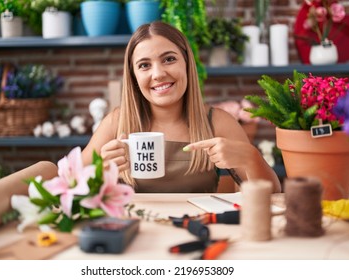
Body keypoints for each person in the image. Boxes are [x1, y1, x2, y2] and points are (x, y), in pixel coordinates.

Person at [82, 21, 281, 193]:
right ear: (133, 77)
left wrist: (251, 157)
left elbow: (273, 193)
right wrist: (99, 173)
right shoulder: (116, 122)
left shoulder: (218, 122)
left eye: (169, 59)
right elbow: (69, 184)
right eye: (144, 65)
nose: (158, 74)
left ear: (187, 64)